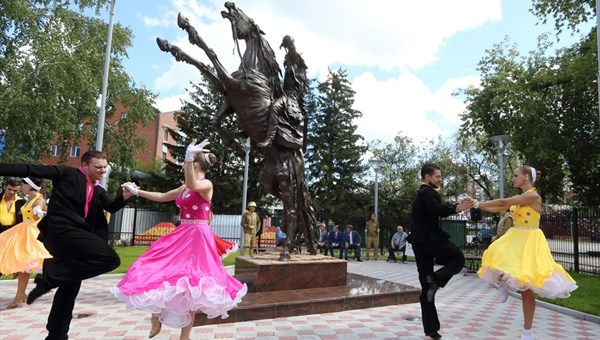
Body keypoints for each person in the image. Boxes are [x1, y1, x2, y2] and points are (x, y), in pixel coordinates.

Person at [114, 140, 247, 340]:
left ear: (194, 164)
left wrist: (187, 157)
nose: (185, 164)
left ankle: (184, 336)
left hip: (198, 237)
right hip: (183, 232)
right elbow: (162, 196)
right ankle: (156, 316)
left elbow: (194, 183)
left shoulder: (205, 184)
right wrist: (137, 192)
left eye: (188, 161)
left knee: (193, 284)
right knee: (157, 267)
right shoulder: (185, 187)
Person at [0, 150, 132, 340]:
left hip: (76, 238)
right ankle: (50, 273)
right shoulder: (67, 174)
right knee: (110, 258)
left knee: (69, 287)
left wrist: (124, 196)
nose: (103, 170)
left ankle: (57, 334)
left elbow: (110, 207)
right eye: (98, 167)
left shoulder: (97, 189)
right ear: (85, 166)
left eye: (105, 167)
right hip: (61, 232)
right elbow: (30, 168)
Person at [476, 166, 577, 340]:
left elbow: (502, 202)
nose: (513, 178)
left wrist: (478, 203)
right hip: (516, 236)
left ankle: (527, 332)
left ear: (526, 177)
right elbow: (499, 208)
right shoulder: (519, 200)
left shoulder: (533, 196)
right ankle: (503, 283)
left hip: (530, 240)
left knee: (527, 287)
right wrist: (479, 206)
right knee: (496, 256)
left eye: (516, 175)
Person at [408, 163, 474, 339]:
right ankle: (436, 280)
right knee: (458, 257)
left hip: (419, 242)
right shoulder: (426, 191)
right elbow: (435, 210)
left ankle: (431, 329)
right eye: (437, 176)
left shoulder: (422, 193)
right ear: (427, 177)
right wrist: (458, 208)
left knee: (426, 289)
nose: (439, 179)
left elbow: (433, 210)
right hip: (430, 240)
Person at [0, 177, 52, 308]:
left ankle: (19, 296)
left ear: (30, 186)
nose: (22, 187)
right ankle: (20, 295)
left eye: (24, 184)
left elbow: (39, 208)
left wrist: (38, 211)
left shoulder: (38, 199)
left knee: (25, 265)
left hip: (30, 234)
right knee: (23, 266)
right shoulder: (29, 198)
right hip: (22, 231)